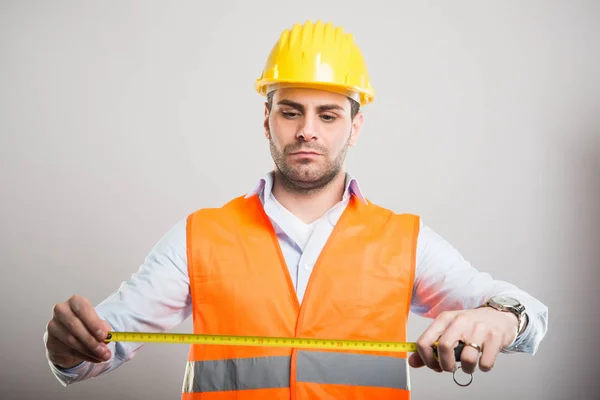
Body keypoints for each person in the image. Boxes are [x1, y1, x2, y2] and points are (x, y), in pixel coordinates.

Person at [44, 20, 548, 399]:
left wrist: (502, 320)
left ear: (354, 127)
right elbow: (98, 348)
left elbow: (524, 310)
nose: (308, 130)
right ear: (268, 120)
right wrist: (68, 348)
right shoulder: (200, 237)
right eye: (291, 111)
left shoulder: (403, 240)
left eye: (328, 114)